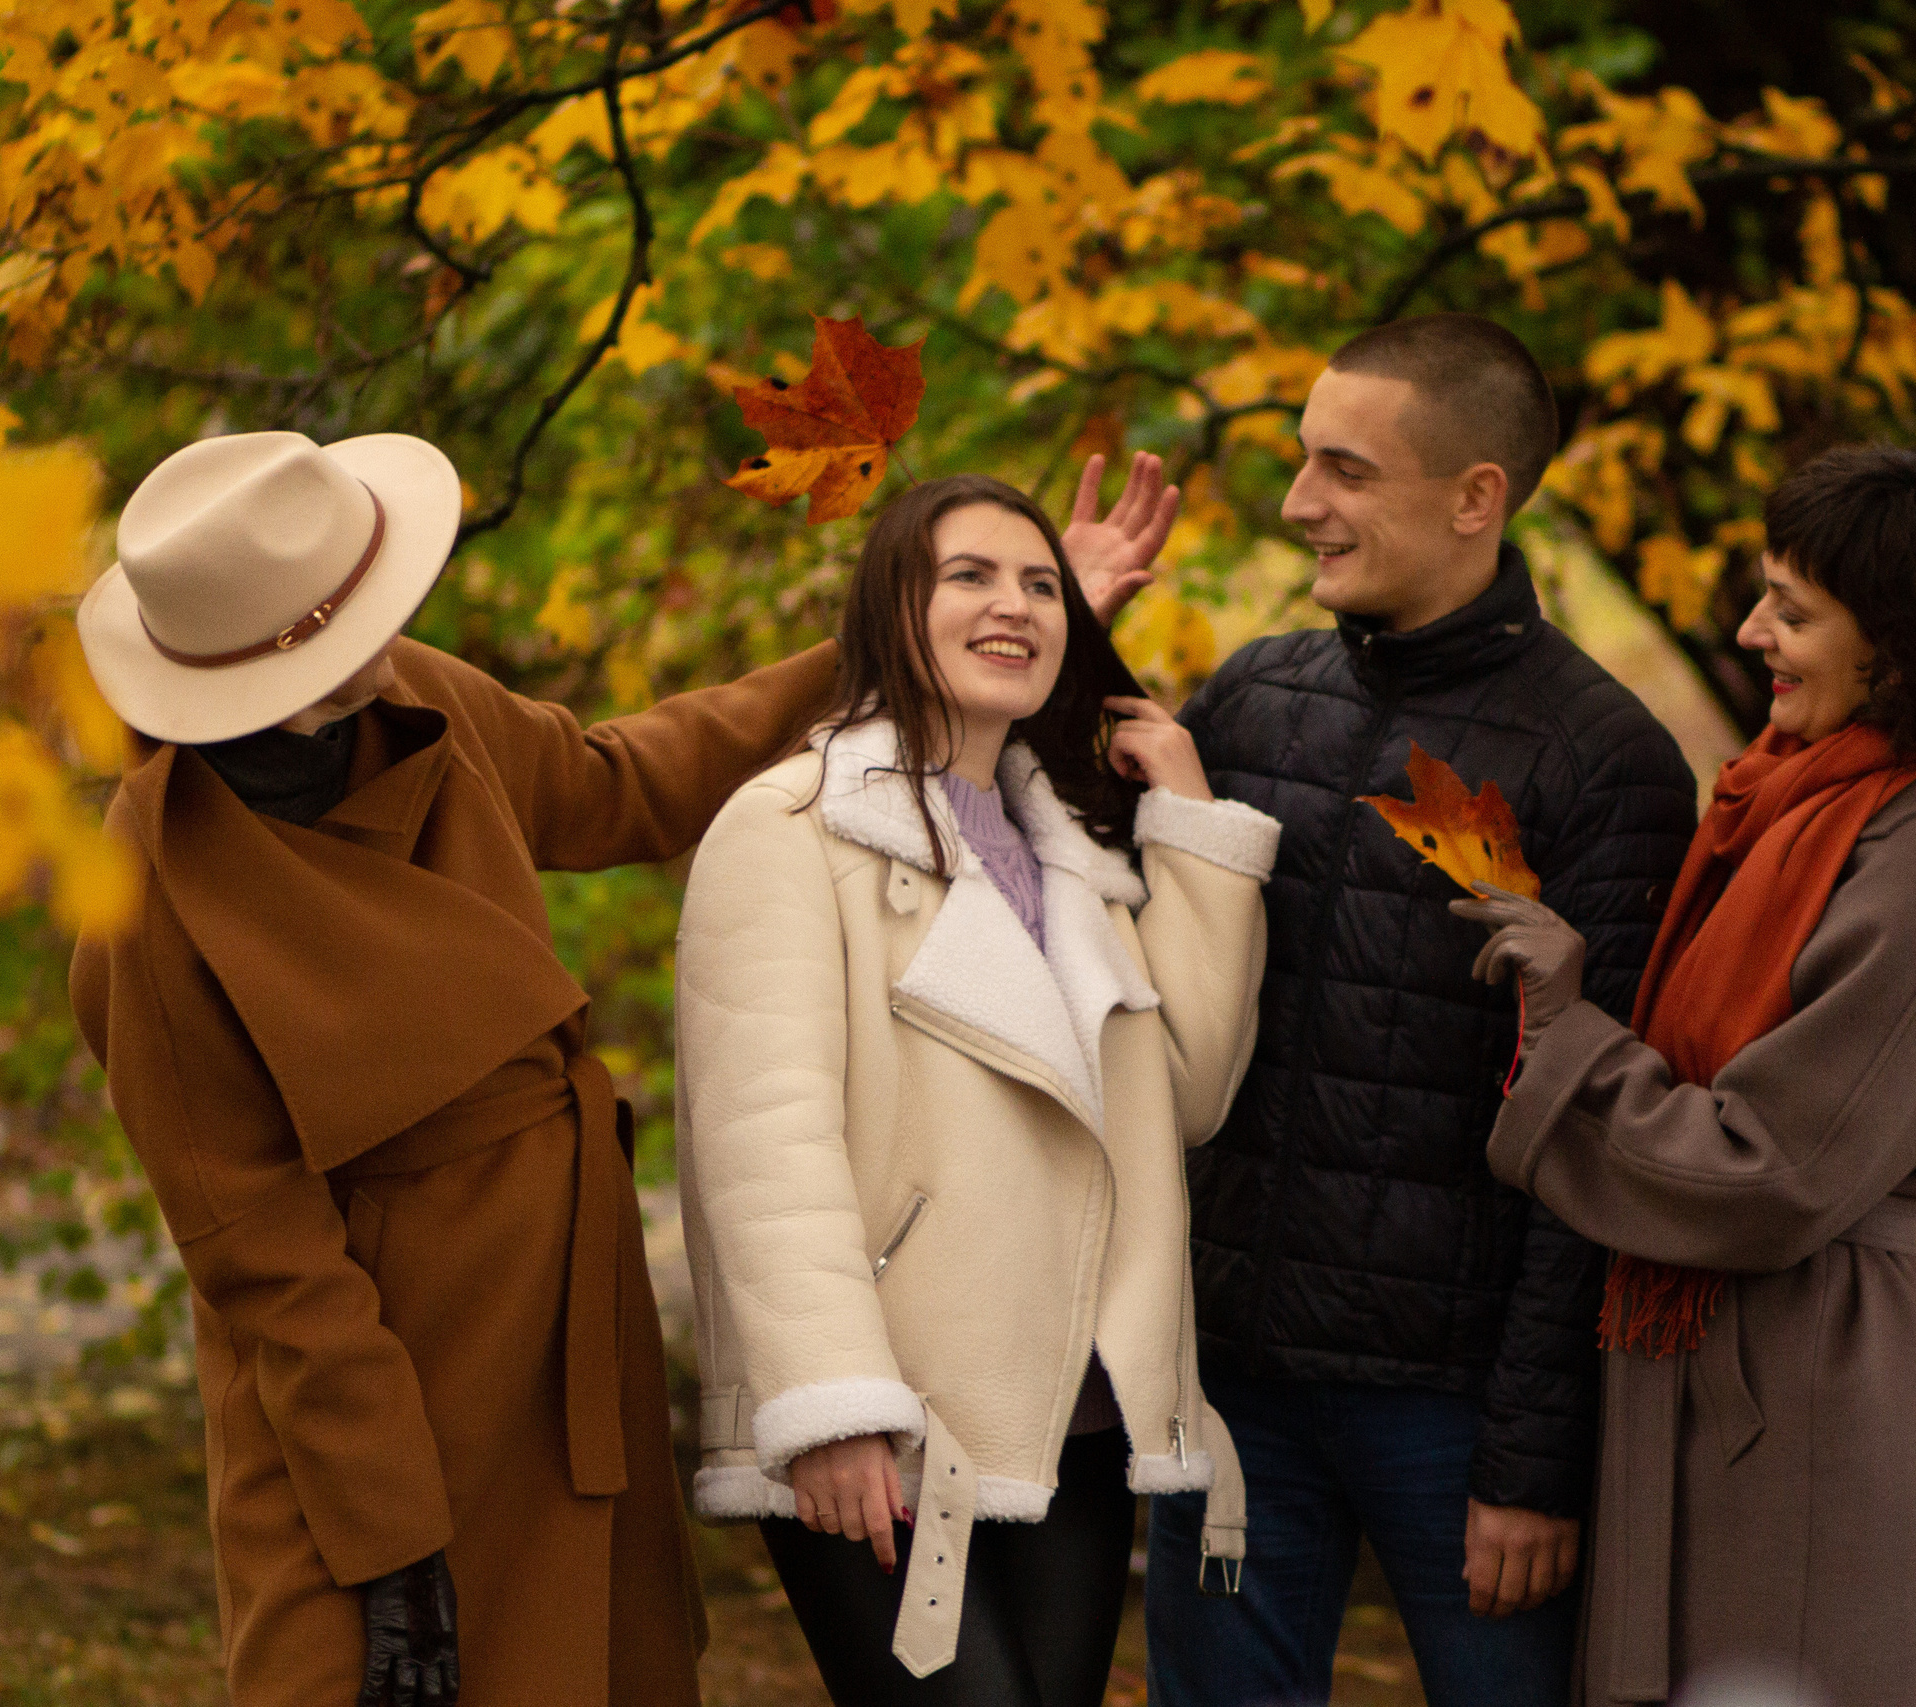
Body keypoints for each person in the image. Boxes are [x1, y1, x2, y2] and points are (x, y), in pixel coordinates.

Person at [66, 429, 1167, 1707]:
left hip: (561, 1320)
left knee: (588, 1661)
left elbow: (620, 782)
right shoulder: (150, 896)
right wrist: (391, 1540)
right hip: (366, 1388)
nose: (390, 619)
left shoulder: (416, 696)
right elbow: (263, 1262)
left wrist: (919, 639)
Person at [1139, 314, 1698, 1707]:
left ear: (1475, 496)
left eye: (1344, 469)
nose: (1297, 504)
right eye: (1300, 462)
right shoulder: (1254, 703)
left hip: (1451, 1414)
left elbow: (1593, 1139)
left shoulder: (1603, 760)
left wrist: (1531, 1459)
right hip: (1231, 1387)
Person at [672, 473, 1281, 1707]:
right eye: (971, 577)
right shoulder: (785, 830)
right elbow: (764, 1144)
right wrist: (834, 1402)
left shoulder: (1074, 854)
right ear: (893, 606)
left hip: (1075, 1412)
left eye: (1042, 585)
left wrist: (1191, 824)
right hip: (888, 1412)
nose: (1015, 606)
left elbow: (1187, 1099)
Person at [1462, 445, 1916, 1706]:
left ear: (1896, 642)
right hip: (1723, 1362)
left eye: (1791, 609)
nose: (1751, 632)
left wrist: (1567, 1030)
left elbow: (1771, 1173)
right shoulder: (1792, 802)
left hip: (1818, 1387)